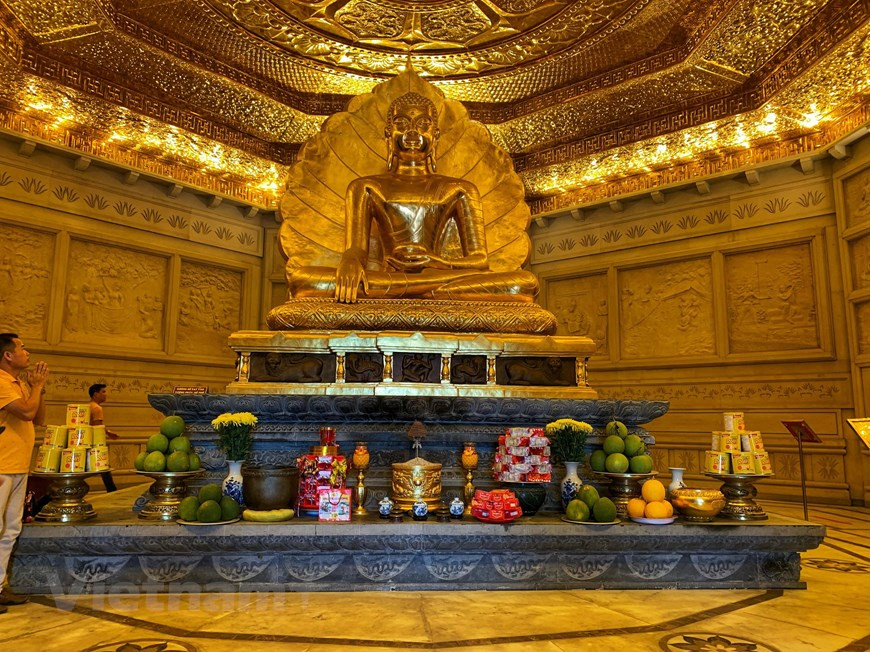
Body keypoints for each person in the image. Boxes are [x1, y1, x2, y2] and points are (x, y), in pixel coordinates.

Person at [287, 92, 539, 304]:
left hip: (428, 276)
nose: (411, 132)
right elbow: (356, 248)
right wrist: (350, 261)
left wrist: (436, 262)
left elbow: (480, 262)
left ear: (436, 135)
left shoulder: (460, 189)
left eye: (422, 124)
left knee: (522, 284)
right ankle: (423, 290)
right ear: (388, 133)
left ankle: (413, 287)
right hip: (390, 278)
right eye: (402, 122)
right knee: (302, 280)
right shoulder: (365, 187)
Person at [0, 333, 48, 609]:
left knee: (11, 529)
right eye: (22, 347)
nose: (26, 352)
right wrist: (37, 387)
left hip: (18, 465)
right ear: (7, 355)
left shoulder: (17, 383)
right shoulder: (1, 382)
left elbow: (39, 418)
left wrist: (38, 388)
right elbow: (26, 413)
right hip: (2, 466)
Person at [88, 383, 118, 493]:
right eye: (103, 392)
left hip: (86, 441)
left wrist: (108, 432)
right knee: (104, 467)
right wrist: (108, 434)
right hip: (93, 444)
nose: (106, 394)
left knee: (104, 469)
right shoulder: (97, 408)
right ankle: (112, 491)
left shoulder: (89, 406)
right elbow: (97, 427)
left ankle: (112, 490)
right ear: (95, 394)